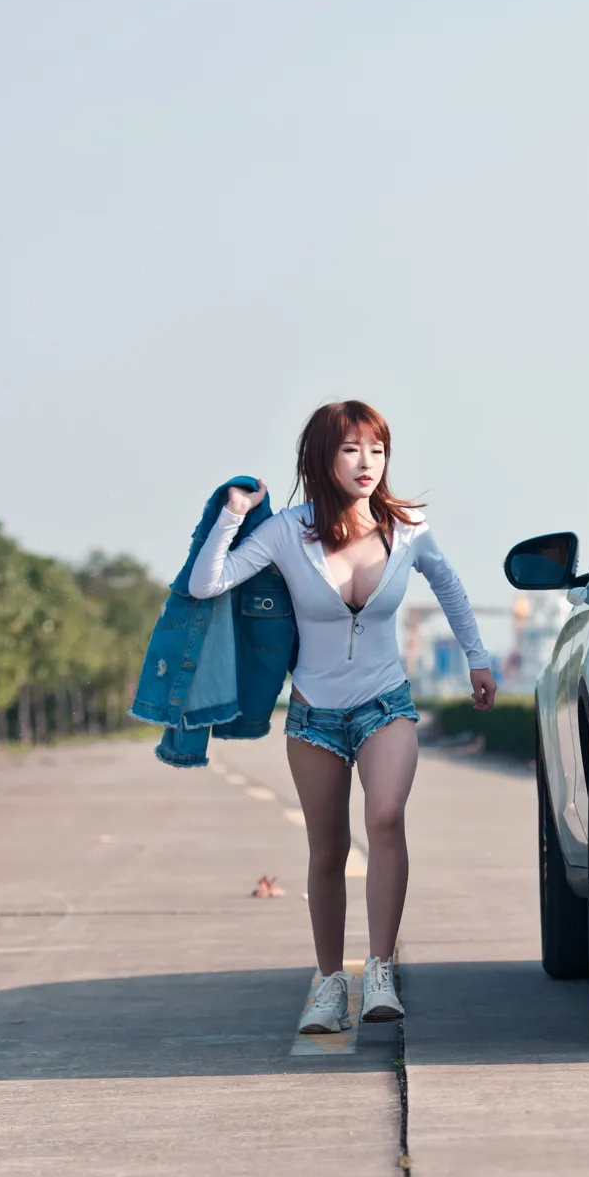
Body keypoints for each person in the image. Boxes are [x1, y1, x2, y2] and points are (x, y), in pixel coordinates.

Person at [188, 399, 496, 1032]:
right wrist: (232, 517)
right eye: (352, 449)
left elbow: (451, 588)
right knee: (326, 849)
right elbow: (205, 584)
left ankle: (379, 969)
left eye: (377, 450)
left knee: (385, 818)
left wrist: (478, 658)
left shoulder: (407, 528)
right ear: (323, 457)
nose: (367, 463)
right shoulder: (286, 532)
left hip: (387, 703)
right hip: (313, 717)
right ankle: (330, 983)